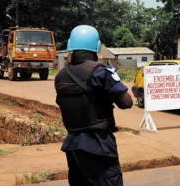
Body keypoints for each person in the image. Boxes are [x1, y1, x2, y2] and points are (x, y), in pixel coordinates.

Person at [54, 25, 133, 186]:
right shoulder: (101, 72)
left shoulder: (61, 75)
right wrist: (113, 78)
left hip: (73, 146)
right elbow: (127, 102)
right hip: (99, 145)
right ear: (96, 48)